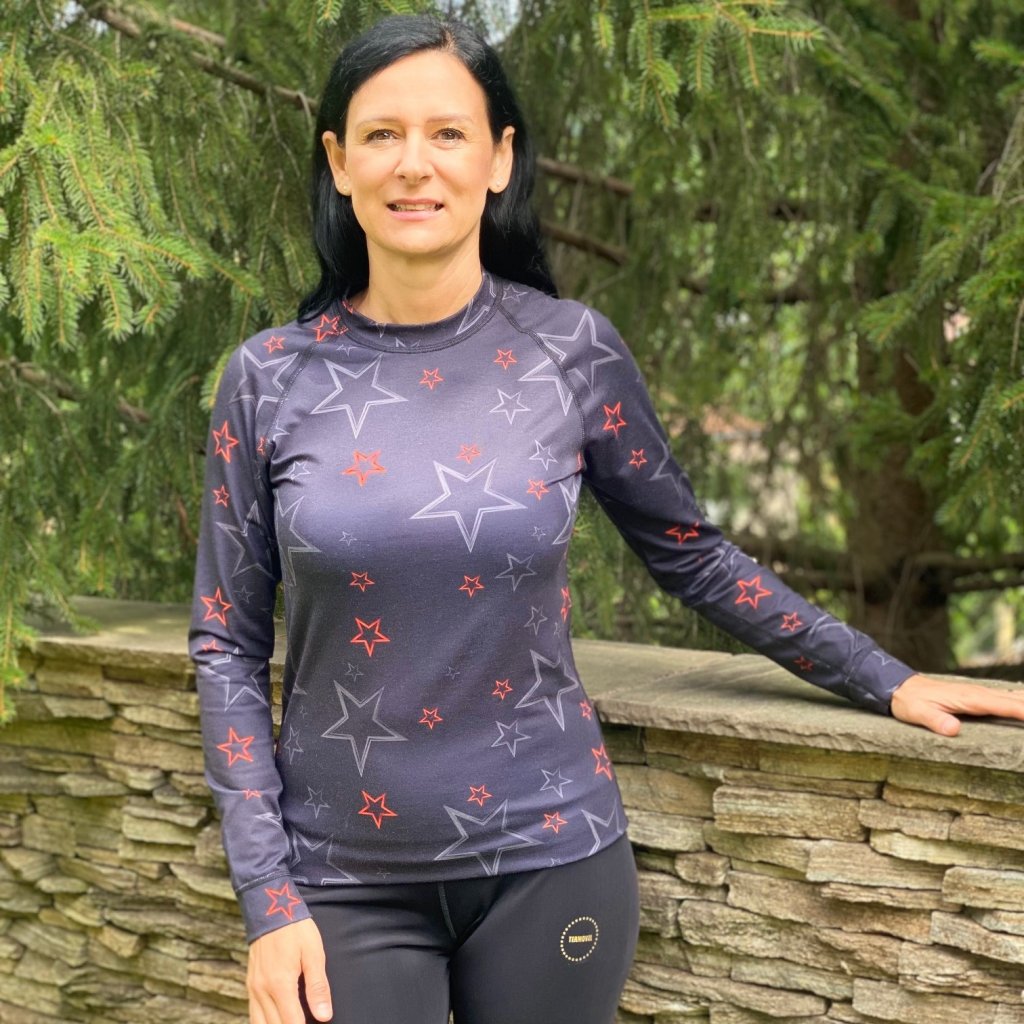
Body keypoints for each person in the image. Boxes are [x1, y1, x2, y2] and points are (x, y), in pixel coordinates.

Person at [187, 14, 1024, 1024]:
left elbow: (693, 556)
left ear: (499, 158)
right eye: (381, 134)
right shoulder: (268, 379)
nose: (415, 164)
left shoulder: (570, 352)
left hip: (553, 860)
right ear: (338, 161)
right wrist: (268, 897)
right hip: (340, 878)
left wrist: (884, 676)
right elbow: (226, 645)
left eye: (448, 133)